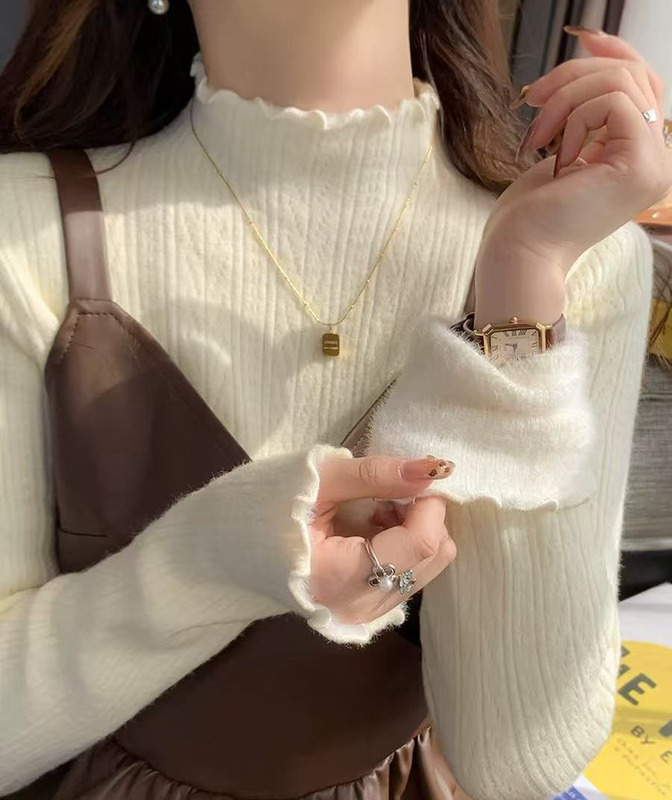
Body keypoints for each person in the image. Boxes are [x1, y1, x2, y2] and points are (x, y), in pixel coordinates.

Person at [0, 1, 669, 799]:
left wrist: (522, 275)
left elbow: (518, 763)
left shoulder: (578, 252)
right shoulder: (21, 232)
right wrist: (212, 560)